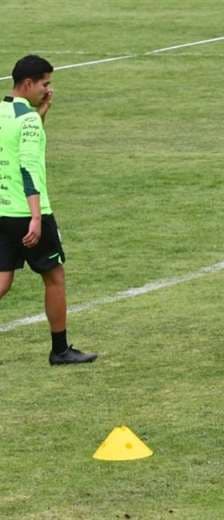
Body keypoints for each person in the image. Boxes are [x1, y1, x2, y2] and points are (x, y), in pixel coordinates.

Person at [0, 55, 97, 365]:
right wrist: (37, 218)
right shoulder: (27, 119)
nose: (48, 89)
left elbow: (18, 148)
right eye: (45, 84)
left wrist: (41, 114)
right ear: (27, 84)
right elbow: (28, 168)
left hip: (2, 211)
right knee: (54, 277)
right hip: (27, 213)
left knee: (2, 282)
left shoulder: (4, 112)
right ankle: (60, 350)